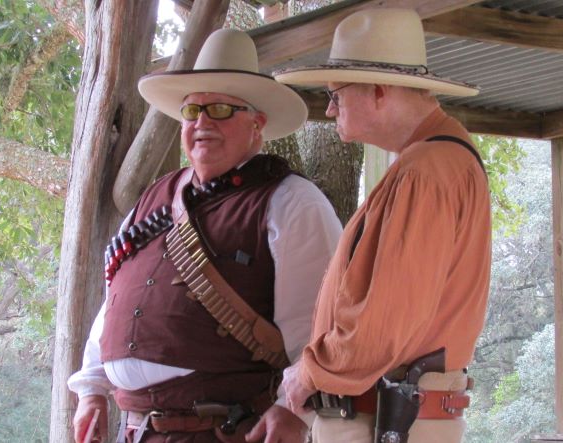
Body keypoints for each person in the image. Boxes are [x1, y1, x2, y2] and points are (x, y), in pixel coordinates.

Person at [67, 28, 342, 443]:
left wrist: (294, 411)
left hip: (227, 430)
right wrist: (91, 388)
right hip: (137, 430)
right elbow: (116, 303)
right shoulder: (153, 199)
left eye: (221, 109)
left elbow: (319, 327)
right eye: (193, 110)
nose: (202, 122)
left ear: (257, 124)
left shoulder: (292, 201)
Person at [274, 8, 491, 443]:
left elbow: (382, 327)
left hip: (384, 421)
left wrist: (309, 372)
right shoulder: (434, 162)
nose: (330, 108)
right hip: (391, 418)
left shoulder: (425, 171)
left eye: (336, 94)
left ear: (377, 91)